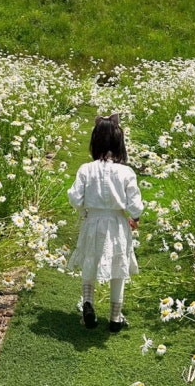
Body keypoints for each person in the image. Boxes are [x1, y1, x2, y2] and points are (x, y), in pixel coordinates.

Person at [67, 113, 144, 332]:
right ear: (120, 143)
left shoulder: (86, 169)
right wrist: (135, 218)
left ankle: (88, 302)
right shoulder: (126, 172)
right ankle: (115, 317)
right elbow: (134, 204)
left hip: (93, 222)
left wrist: (84, 211)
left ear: (95, 142)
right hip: (118, 224)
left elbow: (75, 197)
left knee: (91, 260)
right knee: (117, 267)